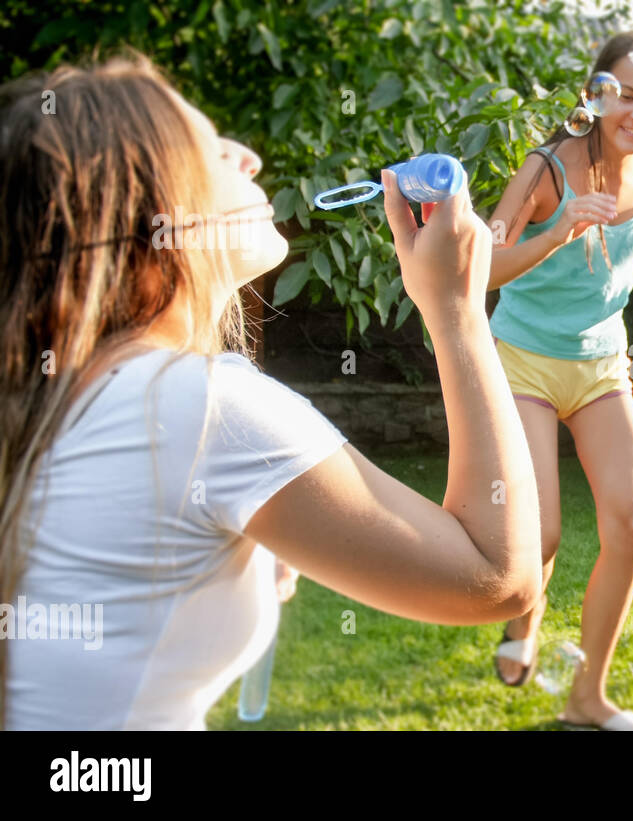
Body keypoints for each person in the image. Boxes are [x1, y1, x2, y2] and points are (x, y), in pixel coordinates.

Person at [0, 54, 542, 730]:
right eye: (209, 150)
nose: (248, 156)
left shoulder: (50, 396)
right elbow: (499, 574)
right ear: (147, 218)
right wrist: (457, 308)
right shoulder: (197, 405)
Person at [485, 29, 633, 731]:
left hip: (600, 367)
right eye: (627, 94)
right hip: (523, 359)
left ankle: (586, 699)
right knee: (543, 532)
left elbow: (629, 264)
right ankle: (523, 622)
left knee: (629, 520)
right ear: (596, 93)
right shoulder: (544, 169)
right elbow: (483, 270)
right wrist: (557, 232)